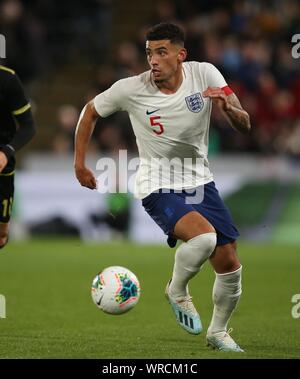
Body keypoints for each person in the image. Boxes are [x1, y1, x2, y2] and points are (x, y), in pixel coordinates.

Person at [74, 23, 251, 352]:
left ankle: (218, 332)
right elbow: (89, 111)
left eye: (161, 52)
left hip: (200, 181)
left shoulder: (206, 74)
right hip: (157, 183)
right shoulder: (132, 89)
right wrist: (80, 163)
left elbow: (245, 123)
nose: (153, 60)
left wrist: (228, 109)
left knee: (230, 265)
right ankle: (177, 290)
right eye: (148, 53)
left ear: (180, 55)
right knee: (204, 238)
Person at [0, 64, 36, 248]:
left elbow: (28, 125)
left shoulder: (7, 80)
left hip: (3, 170)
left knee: (2, 235)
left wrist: (6, 152)